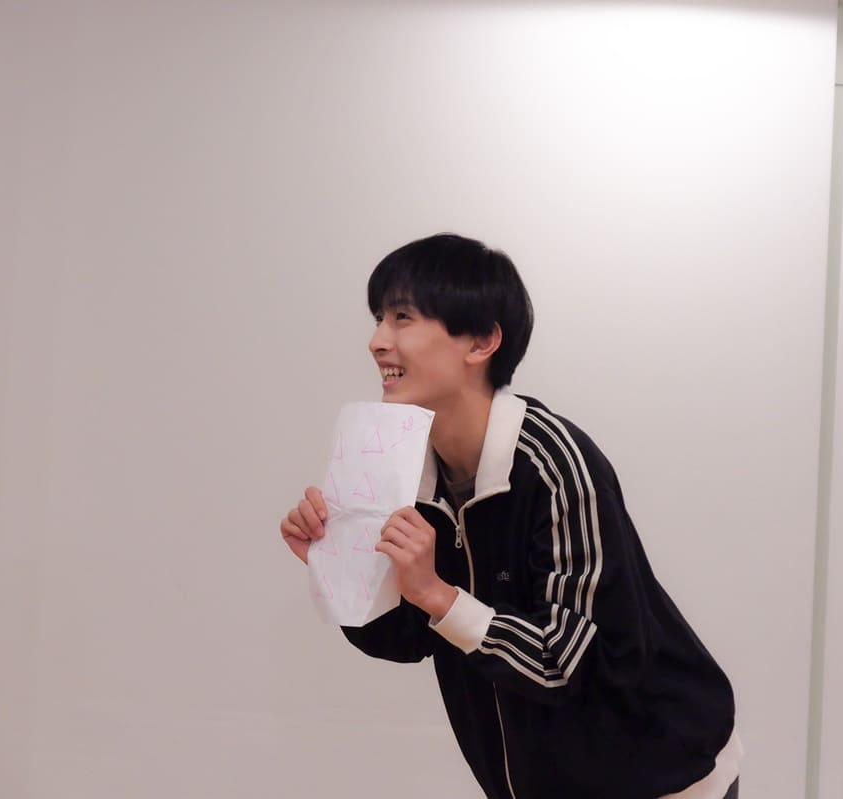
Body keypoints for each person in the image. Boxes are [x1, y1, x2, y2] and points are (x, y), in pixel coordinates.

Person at [280, 233, 741, 799]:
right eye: (379, 318)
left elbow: (569, 661)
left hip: (663, 774)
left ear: (481, 341)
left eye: (402, 318)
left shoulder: (555, 466)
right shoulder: (405, 469)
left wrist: (438, 595)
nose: (377, 342)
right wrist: (337, 565)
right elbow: (408, 639)